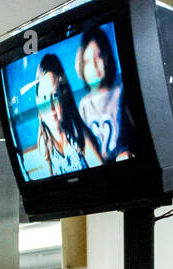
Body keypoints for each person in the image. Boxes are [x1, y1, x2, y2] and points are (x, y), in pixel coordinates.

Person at [34, 53, 104, 176]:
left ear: (64, 97)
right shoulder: (43, 142)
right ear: (37, 101)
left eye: (55, 95)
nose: (50, 107)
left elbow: (102, 174)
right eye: (44, 97)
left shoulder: (78, 133)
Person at [76, 26, 133, 162]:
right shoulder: (84, 105)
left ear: (107, 57)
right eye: (87, 61)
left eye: (99, 56)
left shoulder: (121, 94)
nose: (94, 66)